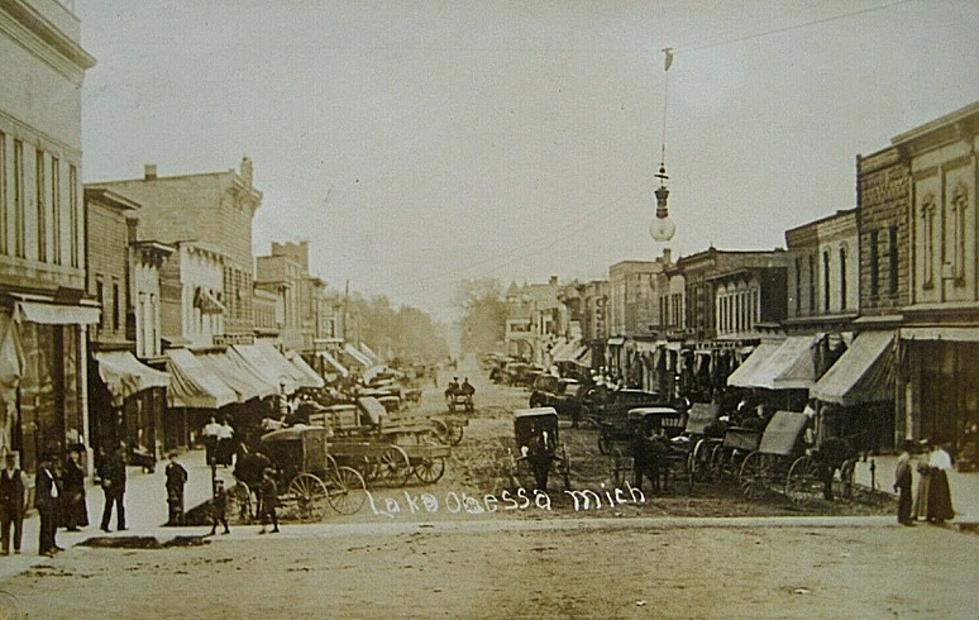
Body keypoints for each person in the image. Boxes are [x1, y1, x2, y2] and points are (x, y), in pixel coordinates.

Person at [0, 453, 28, 555]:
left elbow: (26, 488)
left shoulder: (21, 474)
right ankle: (5, 547)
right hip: (5, 504)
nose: (10, 462)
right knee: (5, 525)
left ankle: (17, 547)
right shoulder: (2, 474)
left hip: (17, 504)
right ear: (6, 461)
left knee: (18, 525)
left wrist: (25, 501)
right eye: (8, 460)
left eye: (12, 460)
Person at [35, 454, 62, 557]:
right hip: (46, 502)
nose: (51, 464)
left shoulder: (51, 472)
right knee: (46, 525)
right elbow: (41, 490)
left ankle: (52, 544)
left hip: (53, 500)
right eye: (49, 462)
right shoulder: (41, 474)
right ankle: (44, 548)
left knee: (53, 524)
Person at [99, 447, 127, 532]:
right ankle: (111, 525)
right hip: (114, 485)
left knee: (114, 505)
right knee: (113, 505)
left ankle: (116, 524)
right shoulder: (114, 460)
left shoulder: (115, 459)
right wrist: (107, 480)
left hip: (117, 485)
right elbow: (107, 471)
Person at [926, 442, 954, 524]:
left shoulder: (944, 454)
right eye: (935, 445)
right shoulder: (933, 453)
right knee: (932, 494)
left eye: (938, 445)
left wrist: (939, 466)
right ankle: (931, 514)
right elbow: (930, 463)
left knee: (941, 495)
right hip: (933, 474)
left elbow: (948, 465)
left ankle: (940, 515)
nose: (937, 447)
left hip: (940, 474)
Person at [62, 449, 88, 531]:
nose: (76, 455)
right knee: (73, 506)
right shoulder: (70, 465)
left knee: (76, 507)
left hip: (76, 487)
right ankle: (71, 524)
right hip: (73, 488)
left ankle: (74, 523)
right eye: (74, 453)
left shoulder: (75, 464)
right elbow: (72, 477)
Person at [894, 440, 915, 526]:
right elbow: (902, 470)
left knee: (903, 498)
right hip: (905, 479)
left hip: (904, 479)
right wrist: (898, 481)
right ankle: (905, 518)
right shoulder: (906, 458)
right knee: (907, 499)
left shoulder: (903, 456)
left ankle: (901, 517)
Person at [165, 453, 189, 526]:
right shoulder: (168, 467)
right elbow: (167, 474)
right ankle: (172, 520)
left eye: (175, 458)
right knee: (171, 503)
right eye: (172, 458)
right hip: (171, 487)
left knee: (180, 502)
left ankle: (181, 520)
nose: (173, 460)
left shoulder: (179, 467)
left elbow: (185, 473)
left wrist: (184, 481)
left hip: (179, 487)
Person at [912, 439, 931, 521]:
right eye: (923, 447)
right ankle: (915, 513)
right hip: (922, 477)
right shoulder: (922, 457)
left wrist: (928, 469)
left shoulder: (932, 456)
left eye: (926, 447)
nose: (924, 449)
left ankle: (927, 514)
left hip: (929, 478)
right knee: (919, 494)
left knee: (927, 495)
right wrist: (922, 469)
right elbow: (918, 468)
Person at [258, 469, 280, 534]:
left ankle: (264, 529)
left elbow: (263, 488)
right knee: (273, 514)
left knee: (264, 514)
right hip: (271, 499)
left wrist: (261, 487)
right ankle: (276, 527)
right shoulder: (271, 482)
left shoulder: (269, 482)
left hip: (269, 500)